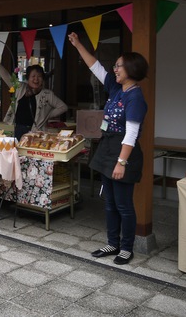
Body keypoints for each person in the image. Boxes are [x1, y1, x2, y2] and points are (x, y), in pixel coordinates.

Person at [68, 32, 148, 266]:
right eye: (115, 65)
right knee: (110, 202)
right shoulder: (116, 89)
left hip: (125, 152)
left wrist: (121, 163)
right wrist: (78, 45)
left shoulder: (136, 98)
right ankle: (112, 243)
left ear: (131, 69)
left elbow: (132, 134)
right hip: (107, 147)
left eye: (119, 66)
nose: (115, 69)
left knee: (124, 204)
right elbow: (96, 67)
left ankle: (126, 248)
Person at [0, 51, 67, 140]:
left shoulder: (47, 94)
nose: (36, 79)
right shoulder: (20, 88)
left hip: (36, 132)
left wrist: (47, 115)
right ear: (28, 78)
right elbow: (7, 77)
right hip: (17, 129)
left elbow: (63, 107)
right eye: (33, 76)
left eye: (39, 76)